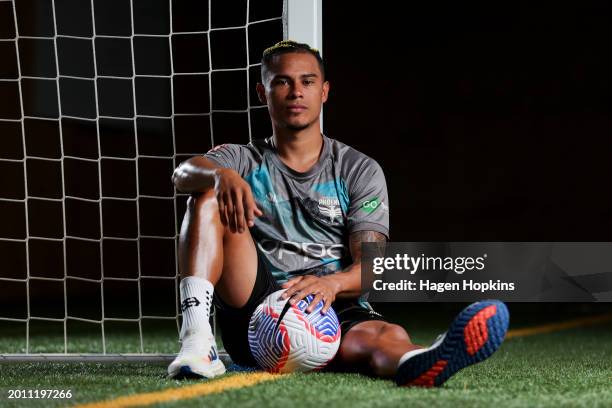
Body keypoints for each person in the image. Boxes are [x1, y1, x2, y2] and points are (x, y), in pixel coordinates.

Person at [167, 40, 509, 386]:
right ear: (262, 92)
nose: (296, 92)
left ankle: (422, 360)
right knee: (205, 196)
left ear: (324, 91)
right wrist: (220, 175)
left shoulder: (358, 169)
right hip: (258, 309)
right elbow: (182, 174)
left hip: (330, 306)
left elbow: (372, 269)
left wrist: (331, 284)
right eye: (282, 81)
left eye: (308, 81)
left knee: (381, 335)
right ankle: (197, 344)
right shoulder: (242, 159)